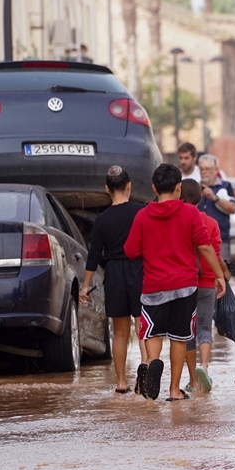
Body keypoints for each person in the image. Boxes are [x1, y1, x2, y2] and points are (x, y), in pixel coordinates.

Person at [124, 164, 226, 401]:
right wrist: (219, 275)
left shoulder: (143, 215)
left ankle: (152, 363)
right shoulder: (190, 213)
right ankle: (174, 391)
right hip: (184, 287)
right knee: (180, 338)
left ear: (154, 188)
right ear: (179, 187)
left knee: (153, 333)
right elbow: (205, 247)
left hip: (153, 287)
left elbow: (130, 251)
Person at [80, 165, 145, 394]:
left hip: (114, 273)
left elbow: (94, 254)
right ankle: (146, 371)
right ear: (129, 186)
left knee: (120, 332)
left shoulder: (102, 220)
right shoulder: (141, 212)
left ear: (107, 189)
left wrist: (86, 286)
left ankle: (121, 383)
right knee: (142, 326)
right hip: (139, 269)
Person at [180, 179, 231, 393]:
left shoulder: (178, 221)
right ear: (200, 198)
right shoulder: (210, 223)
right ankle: (205, 366)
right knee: (204, 328)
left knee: (187, 332)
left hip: (185, 282)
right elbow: (215, 254)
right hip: (208, 282)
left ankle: (192, 380)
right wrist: (223, 275)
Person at [197, 154, 235, 261]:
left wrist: (215, 198)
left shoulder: (225, 186)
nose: (203, 172)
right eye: (201, 169)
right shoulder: (195, 187)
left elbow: (232, 208)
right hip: (199, 240)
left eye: (207, 169)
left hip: (221, 239)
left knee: (223, 272)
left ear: (216, 170)